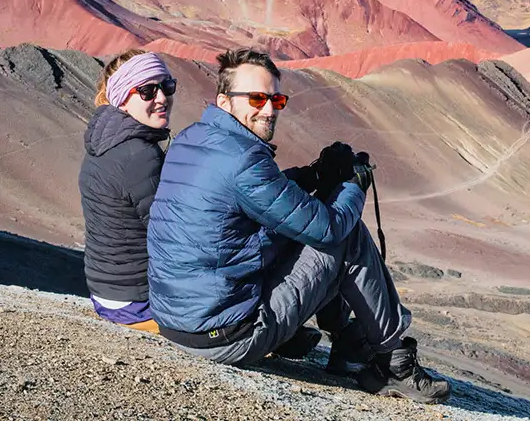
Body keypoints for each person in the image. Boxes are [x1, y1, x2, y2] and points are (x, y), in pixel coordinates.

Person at [148, 47, 451, 403]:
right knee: (344, 234)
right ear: (225, 101)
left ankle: (349, 342)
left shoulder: (193, 139)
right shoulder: (244, 159)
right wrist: (353, 186)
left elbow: (264, 194)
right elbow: (329, 229)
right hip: (228, 335)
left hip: (179, 321)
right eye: (257, 98)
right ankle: (393, 364)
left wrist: (316, 174)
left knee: (309, 225)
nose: (269, 108)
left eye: (276, 98)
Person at [78, 49, 177, 334]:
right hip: (137, 301)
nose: (161, 97)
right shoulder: (138, 154)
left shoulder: (104, 142)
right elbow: (173, 235)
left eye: (166, 86)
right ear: (122, 99)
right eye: (147, 91)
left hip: (109, 294)